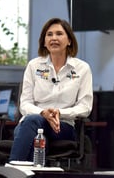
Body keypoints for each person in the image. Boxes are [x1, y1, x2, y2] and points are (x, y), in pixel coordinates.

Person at [8, 18, 93, 165]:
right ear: (44, 41)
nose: (54, 38)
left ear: (69, 41)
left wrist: (59, 113)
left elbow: (85, 107)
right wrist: (42, 113)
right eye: (49, 34)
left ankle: (10, 174)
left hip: (62, 127)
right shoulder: (34, 66)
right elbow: (25, 104)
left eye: (59, 34)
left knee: (31, 123)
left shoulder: (82, 68)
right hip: (30, 124)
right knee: (39, 140)